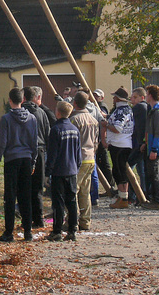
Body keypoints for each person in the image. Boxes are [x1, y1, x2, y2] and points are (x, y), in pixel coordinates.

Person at [0, 87, 38, 243]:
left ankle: (8, 231)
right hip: (26, 158)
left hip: (12, 159)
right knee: (25, 196)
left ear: (10, 100)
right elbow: (34, 142)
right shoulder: (32, 118)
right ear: (23, 100)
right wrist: (33, 161)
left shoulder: (6, 119)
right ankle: (28, 231)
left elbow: (2, 143)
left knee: (10, 196)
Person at [45, 100, 81, 241]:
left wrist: (48, 172)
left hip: (59, 170)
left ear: (58, 112)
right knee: (72, 201)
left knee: (58, 202)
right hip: (71, 169)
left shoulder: (56, 130)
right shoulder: (75, 129)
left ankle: (57, 231)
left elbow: (52, 153)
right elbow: (78, 152)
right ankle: (72, 230)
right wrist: (77, 166)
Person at [69, 91, 99, 231]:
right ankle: (85, 221)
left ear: (75, 103)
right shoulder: (93, 120)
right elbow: (96, 141)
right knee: (85, 192)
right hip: (91, 157)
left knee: (73, 190)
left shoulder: (74, 120)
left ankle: (72, 220)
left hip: (78, 158)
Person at [22, 86, 50, 228]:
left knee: (25, 187)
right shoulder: (41, 113)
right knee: (37, 188)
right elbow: (47, 133)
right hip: (40, 150)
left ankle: (26, 220)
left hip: (24, 151)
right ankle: (38, 219)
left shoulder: (20, 112)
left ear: (24, 97)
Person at [140, 84, 159, 210]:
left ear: (150, 96)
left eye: (146, 94)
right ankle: (152, 198)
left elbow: (158, 133)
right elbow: (149, 131)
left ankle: (158, 201)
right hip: (150, 146)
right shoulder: (151, 110)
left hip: (156, 148)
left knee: (154, 174)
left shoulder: (158, 113)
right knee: (150, 173)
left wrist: (154, 149)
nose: (145, 97)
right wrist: (145, 142)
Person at [106, 86, 134, 209]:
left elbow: (117, 128)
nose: (113, 99)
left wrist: (106, 124)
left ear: (117, 99)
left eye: (114, 97)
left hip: (119, 144)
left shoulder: (120, 111)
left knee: (119, 171)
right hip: (124, 143)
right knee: (120, 170)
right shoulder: (128, 109)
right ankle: (123, 197)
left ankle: (123, 198)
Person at [128, 87, 148, 202]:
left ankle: (134, 195)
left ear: (142, 97)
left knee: (129, 168)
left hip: (139, 144)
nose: (132, 100)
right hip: (140, 143)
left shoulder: (140, 107)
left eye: (135, 97)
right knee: (142, 171)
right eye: (132, 97)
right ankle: (142, 194)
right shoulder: (145, 107)